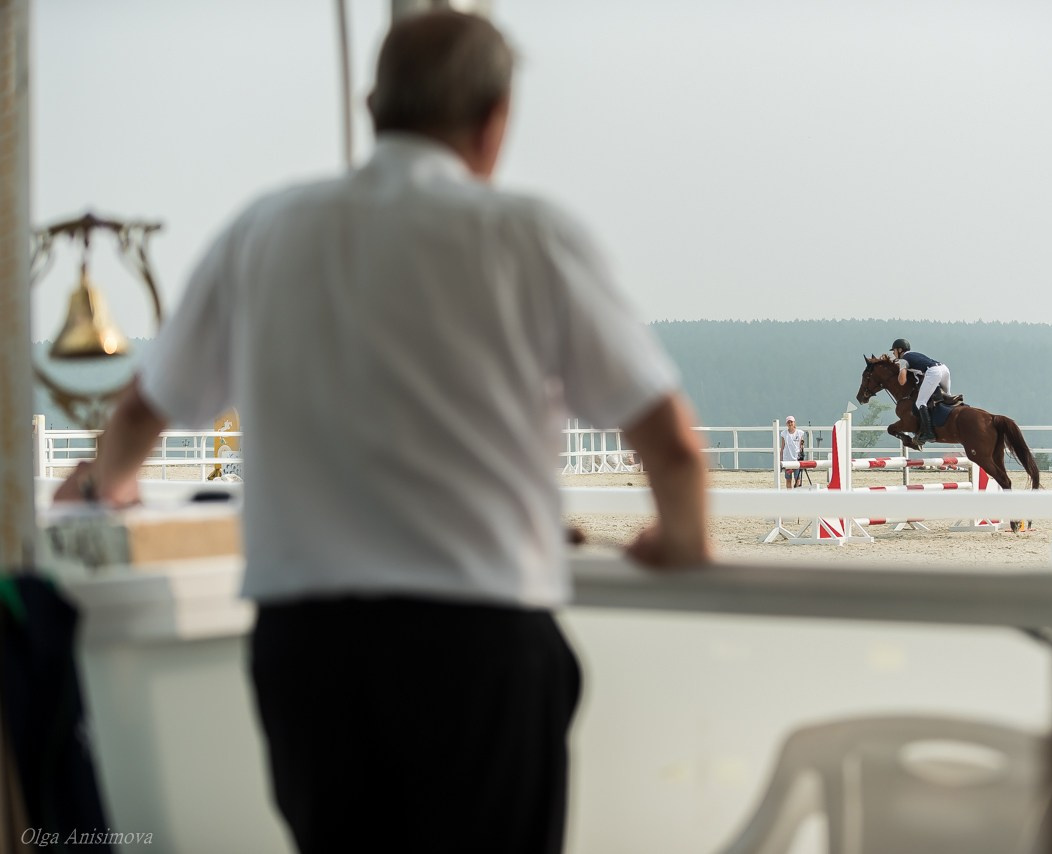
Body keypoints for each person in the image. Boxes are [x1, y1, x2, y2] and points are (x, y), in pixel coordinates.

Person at [54, 10, 711, 853]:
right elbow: (670, 441)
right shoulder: (527, 234)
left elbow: (146, 407)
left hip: (310, 651)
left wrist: (106, 486)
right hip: (477, 644)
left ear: (373, 105)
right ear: (495, 119)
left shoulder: (265, 229)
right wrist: (683, 537)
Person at [889, 337, 953, 442]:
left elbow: (902, 381)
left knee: (920, 402)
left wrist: (901, 369)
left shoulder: (903, 360)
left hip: (933, 372)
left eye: (894, 351)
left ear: (900, 350)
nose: (894, 354)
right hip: (944, 369)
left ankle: (929, 433)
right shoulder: (914, 354)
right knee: (947, 397)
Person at [778, 416, 806, 488]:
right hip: (787, 459)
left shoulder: (799, 433)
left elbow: (801, 445)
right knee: (788, 479)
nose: (790, 423)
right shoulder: (784, 434)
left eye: (791, 422)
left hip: (796, 459)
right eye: (788, 422)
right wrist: (780, 459)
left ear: (794, 423)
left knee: (797, 479)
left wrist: (801, 456)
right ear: (786, 424)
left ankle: (796, 494)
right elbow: (782, 447)